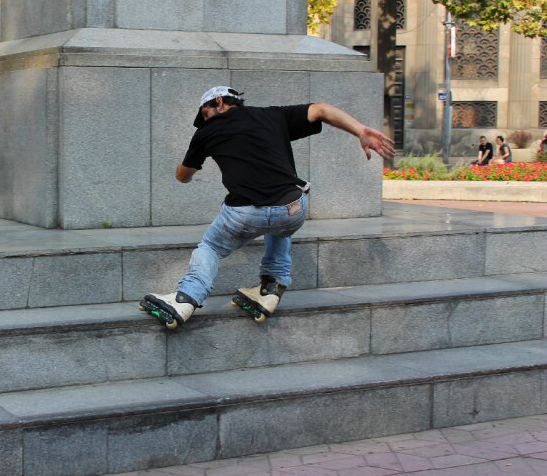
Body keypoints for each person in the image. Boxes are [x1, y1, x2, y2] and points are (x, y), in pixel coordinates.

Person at [140, 86, 395, 328]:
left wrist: (191, 163)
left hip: (245, 213)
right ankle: (270, 288)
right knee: (280, 227)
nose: (205, 120)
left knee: (211, 247)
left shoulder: (206, 132)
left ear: (218, 102)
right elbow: (322, 109)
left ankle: (186, 299)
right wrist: (360, 129)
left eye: (204, 113)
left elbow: (182, 176)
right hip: (294, 208)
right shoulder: (272, 116)